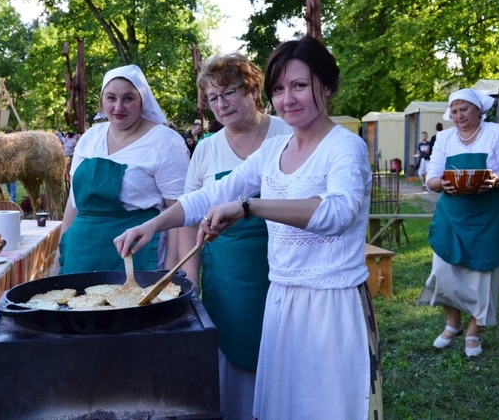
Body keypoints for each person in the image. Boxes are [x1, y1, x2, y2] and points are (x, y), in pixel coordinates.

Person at [115, 36, 382, 419]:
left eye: (299, 86)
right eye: (279, 88)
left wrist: (249, 206)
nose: (287, 98)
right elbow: (209, 195)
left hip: (331, 302)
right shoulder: (273, 151)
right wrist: (152, 224)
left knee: (326, 407)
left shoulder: (344, 146)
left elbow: (336, 213)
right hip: (282, 299)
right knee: (283, 408)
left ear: (327, 86)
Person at [179, 52, 293, 419]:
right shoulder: (206, 150)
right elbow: (189, 216)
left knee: (285, 351)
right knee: (233, 354)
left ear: (253, 89)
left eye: (228, 92)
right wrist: (190, 279)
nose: (220, 105)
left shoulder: (287, 133)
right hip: (227, 274)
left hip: (284, 268)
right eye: (212, 98)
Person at [51, 64, 189, 275]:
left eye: (128, 98)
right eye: (111, 98)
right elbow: (73, 203)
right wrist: (59, 259)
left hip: (134, 256)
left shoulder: (165, 142)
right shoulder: (90, 138)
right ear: (102, 101)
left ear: (142, 101)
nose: (118, 107)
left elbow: (178, 212)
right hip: (81, 255)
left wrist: (170, 270)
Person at [419, 88, 499, 358]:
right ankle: (453, 322)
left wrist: (497, 180)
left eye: (465, 109)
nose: (459, 115)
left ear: (478, 111)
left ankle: (474, 330)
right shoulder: (446, 138)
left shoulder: (496, 133)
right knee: (442, 272)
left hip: (487, 217)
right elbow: (432, 178)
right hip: (453, 215)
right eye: (455, 110)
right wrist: (442, 184)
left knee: (483, 278)